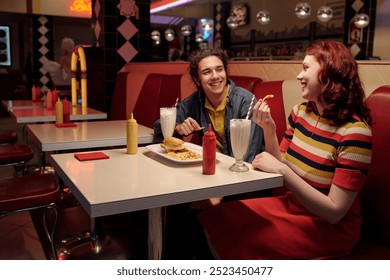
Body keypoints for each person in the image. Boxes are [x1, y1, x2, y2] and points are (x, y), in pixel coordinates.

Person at [197, 40, 373, 259]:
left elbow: (334, 212)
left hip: (330, 229)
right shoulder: (300, 112)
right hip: (292, 206)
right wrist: (269, 130)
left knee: (244, 240)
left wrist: (283, 172)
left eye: (306, 68)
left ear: (329, 74)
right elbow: (281, 159)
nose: (299, 75)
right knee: (216, 216)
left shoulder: (355, 133)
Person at [153, 47, 265, 259]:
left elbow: (247, 158)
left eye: (219, 69)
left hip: (244, 182)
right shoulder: (195, 101)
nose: (215, 76)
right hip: (210, 176)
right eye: (207, 72)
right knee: (171, 206)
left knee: (189, 212)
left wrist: (217, 193)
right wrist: (178, 127)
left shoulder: (247, 101)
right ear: (197, 78)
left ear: (226, 71)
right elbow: (159, 125)